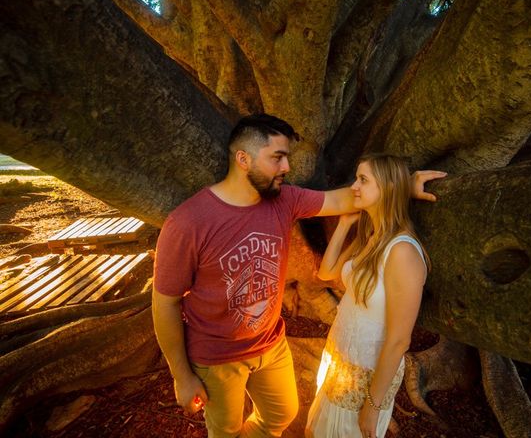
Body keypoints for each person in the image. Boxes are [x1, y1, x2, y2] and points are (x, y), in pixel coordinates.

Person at [152, 114, 445, 438]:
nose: (286, 167)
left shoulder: (285, 200)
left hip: (270, 344)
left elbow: (347, 197)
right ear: (243, 159)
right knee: (225, 431)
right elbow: (165, 303)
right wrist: (181, 374)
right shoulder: (187, 223)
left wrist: (404, 183)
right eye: (277, 157)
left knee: (282, 413)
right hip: (217, 356)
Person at [305, 153, 430, 438]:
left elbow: (400, 340)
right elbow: (327, 273)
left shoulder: (402, 251)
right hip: (339, 360)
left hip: (365, 377)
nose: (354, 187)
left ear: (386, 189)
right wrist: (346, 223)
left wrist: (372, 406)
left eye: (363, 180)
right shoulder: (371, 237)